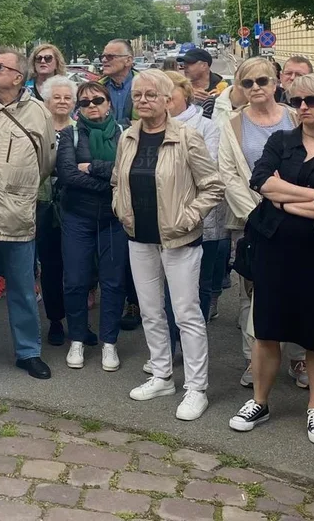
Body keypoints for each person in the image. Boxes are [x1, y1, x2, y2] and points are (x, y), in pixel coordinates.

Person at [229, 74, 314, 446]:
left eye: (312, 100)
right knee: (267, 329)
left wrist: (285, 199)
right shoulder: (281, 141)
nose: (303, 106)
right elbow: (261, 181)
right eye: (297, 99)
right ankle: (260, 401)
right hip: (275, 250)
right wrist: (311, 196)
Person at [111, 69, 223, 420]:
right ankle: (162, 375)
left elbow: (213, 186)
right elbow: (118, 181)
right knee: (150, 310)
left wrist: (188, 217)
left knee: (187, 314)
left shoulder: (187, 137)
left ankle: (196, 388)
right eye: (138, 95)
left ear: (166, 100)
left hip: (179, 239)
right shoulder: (127, 137)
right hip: (138, 236)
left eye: (151, 95)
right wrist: (121, 208)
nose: (143, 100)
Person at [0, 48, 56, 380]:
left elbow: (46, 163)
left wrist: (17, 188)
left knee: (21, 285)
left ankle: (28, 352)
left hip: (17, 212)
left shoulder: (38, 114)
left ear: (18, 77)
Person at [217, 57, 305, 387]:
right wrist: (256, 214)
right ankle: (252, 359)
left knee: (298, 288)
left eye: (263, 81)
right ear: (239, 87)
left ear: (276, 83)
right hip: (251, 219)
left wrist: (293, 206)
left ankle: (298, 358)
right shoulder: (234, 124)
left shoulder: (296, 116)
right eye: (248, 83)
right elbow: (227, 173)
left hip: (298, 217)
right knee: (250, 292)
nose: (256, 88)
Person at [57, 80, 128, 371]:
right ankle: (76, 338)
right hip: (77, 217)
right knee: (75, 280)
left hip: (114, 217)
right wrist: (111, 182)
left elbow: (129, 172)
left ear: (109, 103)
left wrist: (96, 170)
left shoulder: (125, 134)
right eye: (84, 103)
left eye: (97, 100)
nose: (92, 107)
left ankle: (109, 343)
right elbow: (68, 176)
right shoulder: (69, 134)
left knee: (113, 281)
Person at [166, 72, 227, 323]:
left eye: (171, 90)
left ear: (186, 93)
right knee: (168, 283)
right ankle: (172, 340)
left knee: (199, 281)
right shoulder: (149, 126)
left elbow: (209, 168)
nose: (165, 96)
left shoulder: (207, 126)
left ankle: (194, 335)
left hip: (201, 214)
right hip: (164, 217)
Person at [39, 75, 77, 347]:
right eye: (57, 97)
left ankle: (78, 321)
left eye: (67, 97)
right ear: (46, 101)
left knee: (77, 266)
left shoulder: (80, 129)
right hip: (42, 204)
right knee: (51, 265)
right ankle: (55, 320)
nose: (62, 102)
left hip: (75, 205)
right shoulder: (38, 129)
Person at [178, 48, 226, 118]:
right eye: (184, 63)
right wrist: (185, 96)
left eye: (190, 62)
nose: (185, 66)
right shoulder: (180, 87)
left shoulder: (223, 88)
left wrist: (213, 100)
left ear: (204, 65)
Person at [99, 39, 137, 125]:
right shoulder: (98, 88)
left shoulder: (145, 85)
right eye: (102, 56)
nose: (104, 60)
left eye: (110, 56)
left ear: (128, 60)